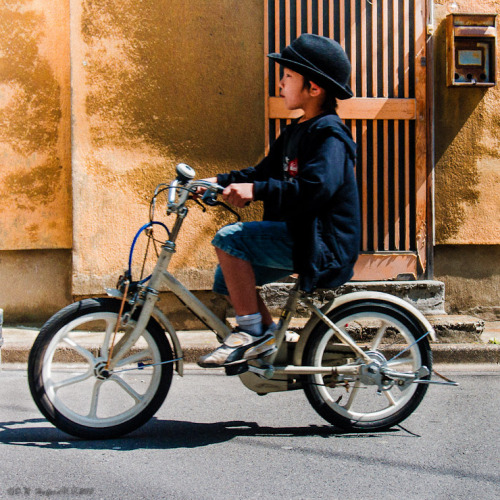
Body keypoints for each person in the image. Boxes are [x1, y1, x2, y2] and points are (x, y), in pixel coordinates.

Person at [197, 33, 361, 368]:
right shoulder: (296, 130)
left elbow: (316, 187)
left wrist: (257, 191)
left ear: (313, 88)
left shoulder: (329, 134)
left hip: (320, 241)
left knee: (229, 240)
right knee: (224, 279)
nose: (281, 82)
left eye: (287, 76)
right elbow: (261, 172)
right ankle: (268, 337)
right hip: (299, 234)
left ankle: (252, 333)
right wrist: (214, 182)